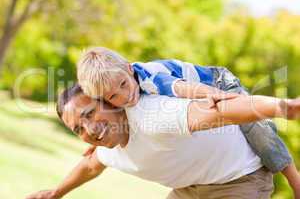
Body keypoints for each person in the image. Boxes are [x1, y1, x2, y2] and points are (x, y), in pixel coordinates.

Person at [76, 47, 300, 197]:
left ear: (129, 68)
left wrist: (212, 94)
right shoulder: (118, 88)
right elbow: (115, 123)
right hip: (195, 95)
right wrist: (97, 140)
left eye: (124, 85)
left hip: (214, 82)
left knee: (257, 128)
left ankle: (293, 178)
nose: (125, 97)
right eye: (113, 97)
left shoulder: (152, 77)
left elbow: (180, 87)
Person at [26, 84, 300, 199]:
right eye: (78, 129)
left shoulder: (155, 115)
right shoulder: (107, 148)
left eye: (89, 113)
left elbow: (225, 111)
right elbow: (90, 165)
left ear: (111, 102)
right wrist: (56, 193)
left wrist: (282, 107)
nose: (89, 129)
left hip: (240, 178)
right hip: (189, 189)